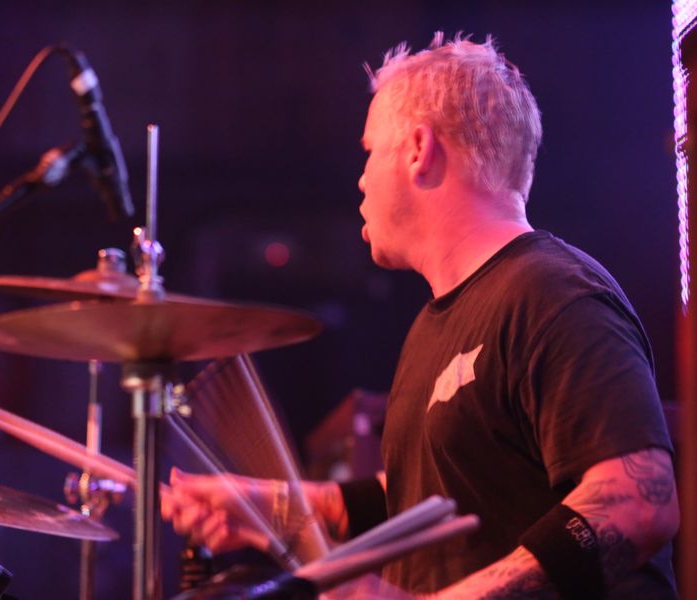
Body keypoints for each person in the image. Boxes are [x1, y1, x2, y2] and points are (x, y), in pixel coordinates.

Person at [163, 33, 679, 598]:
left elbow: (637, 503)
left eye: (369, 151)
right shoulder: (437, 323)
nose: (361, 178)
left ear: (417, 149)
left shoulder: (553, 294)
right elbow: (428, 496)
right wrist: (276, 506)